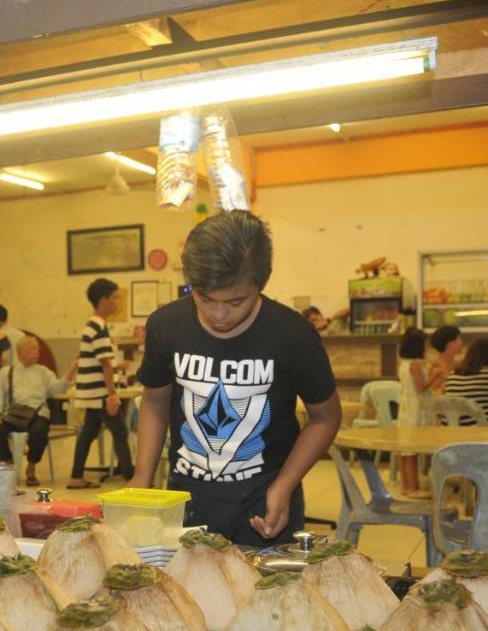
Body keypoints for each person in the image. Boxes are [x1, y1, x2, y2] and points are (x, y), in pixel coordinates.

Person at [128, 211, 341, 545]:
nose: (218, 314)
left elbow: (325, 417)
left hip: (265, 497)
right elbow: (155, 401)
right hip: (186, 499)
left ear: (261, 284)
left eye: (236, 301)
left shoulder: (292, 334)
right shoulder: (166, 326)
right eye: (205, 298)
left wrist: (284, 484)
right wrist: (142, 478)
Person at [67, 278, 134, 488]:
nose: (117, 303)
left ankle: (76, 476)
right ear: (103, 300)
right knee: (120, 432)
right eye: (114, 298)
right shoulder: (98, 326)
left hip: (91, 392)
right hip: (99, 393)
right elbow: (105, 364)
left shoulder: (93, 324)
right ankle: (132, 478)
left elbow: (103, 360)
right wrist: (112, 395)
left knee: (88, 433)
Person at [0, 336, 67, 487]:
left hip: (37, 414)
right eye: (32, 349)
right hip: (13, 414)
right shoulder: (6, 372)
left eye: (37, 349)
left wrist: (70, 374)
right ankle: (7, 463)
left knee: (40, 431)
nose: (36, 352)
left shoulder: (44, 372)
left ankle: (32, 465)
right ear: (20, 352)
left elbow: (57, 389)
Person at [396, 328, 430, 497]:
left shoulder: (403, 363)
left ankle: (405, 485)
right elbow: (421, 387)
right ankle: (413, 488)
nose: (427, 346)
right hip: (415, 408)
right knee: (412, 450)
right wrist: (435, 376)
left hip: (405, 406)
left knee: (405, 448)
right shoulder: (416, 364)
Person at [429, 325, 463, 391]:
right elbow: (435, 394)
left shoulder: (458, 364)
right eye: (459, 339)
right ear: (449, 343)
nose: (461, 342)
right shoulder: (436, 368)